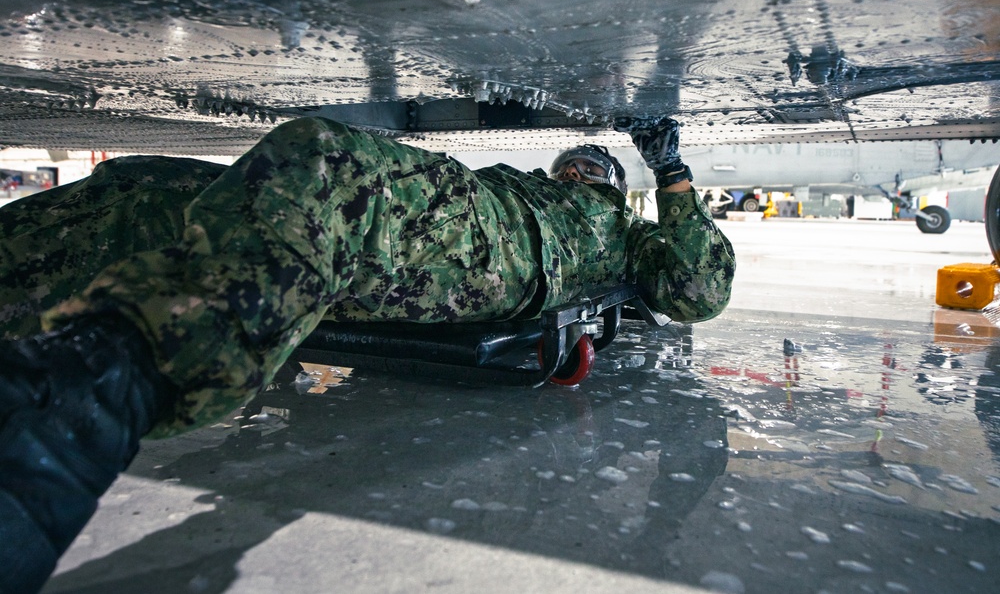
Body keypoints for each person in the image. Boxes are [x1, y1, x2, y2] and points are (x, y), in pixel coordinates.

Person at [0, 114, 734, 592]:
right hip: (449, 224)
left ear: (613, 192)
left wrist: (672, 177)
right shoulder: (525, 185)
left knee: (320, 163)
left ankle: (95, 398)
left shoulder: (625, 237)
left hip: (501, 247)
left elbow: (699, 286)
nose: (579, 171)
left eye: (594, 170)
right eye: (571, 163)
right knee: (145, 188)